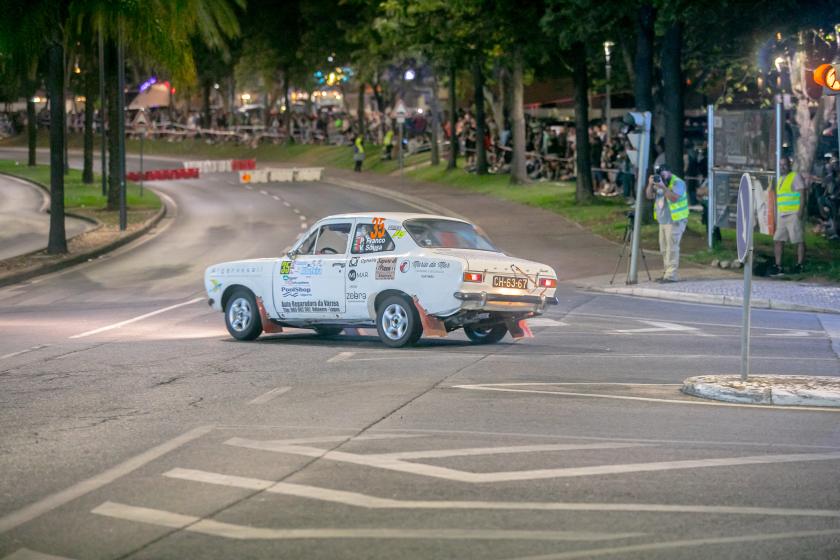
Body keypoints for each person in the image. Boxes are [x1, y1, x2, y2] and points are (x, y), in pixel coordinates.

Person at [645, 164, 688, 282]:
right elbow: (649, 196)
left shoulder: (677, 183)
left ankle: (671, 275)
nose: (661, 177)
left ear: (669, 172)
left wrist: (663, 188)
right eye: (658, 175)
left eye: (663, 174)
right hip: (663, 221)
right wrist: (650, 184)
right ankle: (666, 273)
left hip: (675, 221)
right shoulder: (658, 182)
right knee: (664, 248)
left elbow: (673, 198)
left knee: (672, 248)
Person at [770, 157, 807, 275]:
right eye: (780, 165)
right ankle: (778, 265)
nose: (782, 167)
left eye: (784, 165)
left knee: (798, 240)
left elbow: (802, 194)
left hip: (793, 214)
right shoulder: (780, 179)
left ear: (789, 165)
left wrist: (800, 211)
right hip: (782, 215)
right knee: (778, 240)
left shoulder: (795, 176)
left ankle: (800, 264)